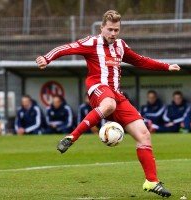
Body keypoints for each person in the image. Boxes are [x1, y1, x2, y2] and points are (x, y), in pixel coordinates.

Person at [36, 10, 180, 197]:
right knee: (109, 104)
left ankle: (151, 182)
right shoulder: (91, 42)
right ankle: (72, 137)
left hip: (117, 95)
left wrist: (166, 66)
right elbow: (65, 48)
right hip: (98, 88)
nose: (113, 34)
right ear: (102, 28)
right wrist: (46, 58)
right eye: (110, 29)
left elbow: (139, 60)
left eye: (116, 30)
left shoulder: (120, 45)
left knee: (144, 135)